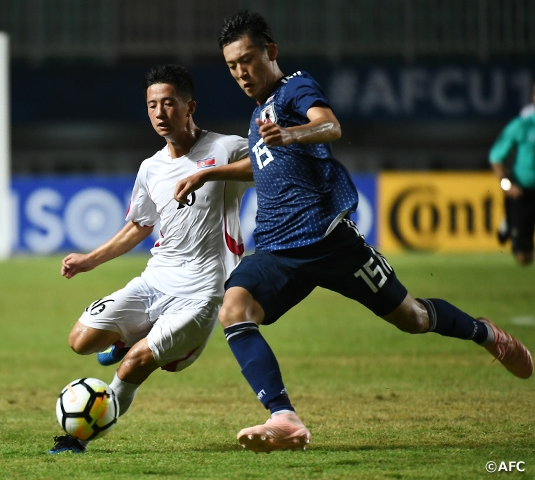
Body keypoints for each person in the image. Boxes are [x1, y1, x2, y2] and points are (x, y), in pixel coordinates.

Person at [174, 10, 533, 454]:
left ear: (271, 52)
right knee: (235, 308)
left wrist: (290, 133)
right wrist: (211, 174)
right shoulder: (259, 113)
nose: (241, 72)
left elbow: (329, 125)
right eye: (231, 66)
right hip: (279, 250)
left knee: (413, 319)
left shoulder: (294, 90)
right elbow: (263, 162)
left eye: (247, 59)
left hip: (330, 243)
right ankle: (284, 418)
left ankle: (485, 334)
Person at [49, 64, 251, 454]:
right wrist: (90, 260)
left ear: (190, 106)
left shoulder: (226, 148)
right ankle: (132, 337)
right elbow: (140, 225)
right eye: (152, 105)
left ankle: (79, 438)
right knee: (80, 340)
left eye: (169, 103)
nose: (160, 113)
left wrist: (210, 175)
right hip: (156, 280)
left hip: (202, 292)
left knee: (134, 365)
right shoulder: (151, 168)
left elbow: (268, 168)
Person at [490, 81, 535, 265]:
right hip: (521, 191)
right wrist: (507, 185)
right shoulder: (523, 125)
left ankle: (510, 223)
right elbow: (496, 158)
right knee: (524, 258)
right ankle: (510, 222)